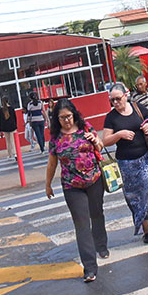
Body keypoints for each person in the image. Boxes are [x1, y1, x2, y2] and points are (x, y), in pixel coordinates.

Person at [44, 98, 108, 282]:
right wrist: (48, 184)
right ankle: (89, 267)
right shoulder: (55, 138)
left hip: (94, 180)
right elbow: (52, 163)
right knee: (81, 224)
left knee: (96, 213)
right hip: (72, 185)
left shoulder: (85, 128)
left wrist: (95, 140)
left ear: (74, 114)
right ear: (57, 119)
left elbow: (101, 146)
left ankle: (101, 245)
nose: (67, 121)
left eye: (69, 116)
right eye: (62, 118)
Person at [102, 83, 148, 246]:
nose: (115, 103)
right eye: (112, 100)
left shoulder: (137, 107)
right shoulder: (111, 117)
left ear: (126, 95)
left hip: (146, 157)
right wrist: (119, 134)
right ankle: (146, 229)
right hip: (126, 163)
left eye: (118, 99)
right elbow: (105, 140)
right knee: (135, 197)